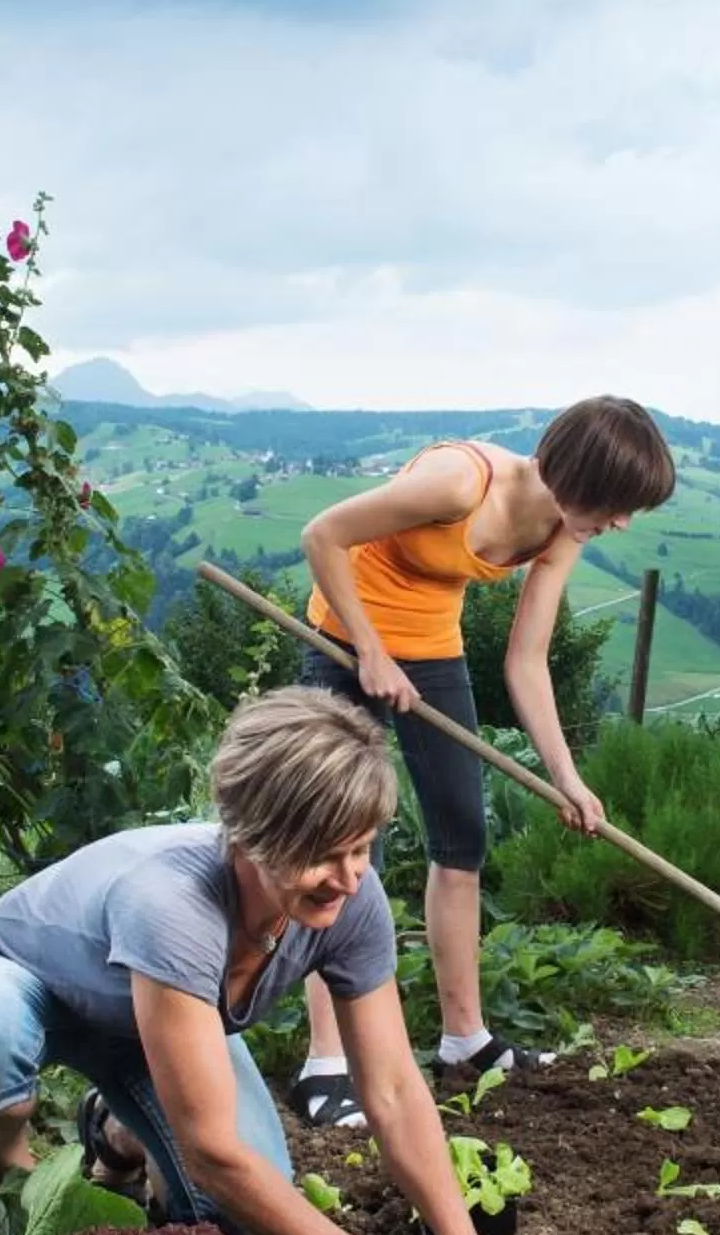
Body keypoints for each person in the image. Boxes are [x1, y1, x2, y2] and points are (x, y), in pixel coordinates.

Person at [0, 686, 572, 1235]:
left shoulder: (353, 898)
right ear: (252, 839)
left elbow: (396, 1091)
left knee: (238, 1231)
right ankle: (27, 1212)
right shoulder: (175, 906)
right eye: (322, 855)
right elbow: (213, 1154)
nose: (348, 877)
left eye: (361, 848)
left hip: (154, 1021)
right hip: (18, 978)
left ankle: (118, 1131)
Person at [286, 396, 678, 1128]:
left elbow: (527, 660)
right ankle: (326, 1060)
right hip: (347, 638)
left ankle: (464, 1040)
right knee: (335, 849)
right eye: (618, 503)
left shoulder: (563, 528)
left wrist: (566, 775)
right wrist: (368, 650)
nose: (622, 523)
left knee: (461, 842)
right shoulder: (456, 484)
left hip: (433, 651)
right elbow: (323, 536)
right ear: (576, 473)